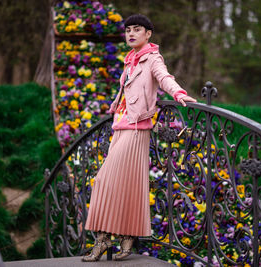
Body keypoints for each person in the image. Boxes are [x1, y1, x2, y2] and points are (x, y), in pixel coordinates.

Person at [82, 14, 196, 262]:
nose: (131, 33)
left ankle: (106, 240)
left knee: (103, 181)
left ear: (148, 34)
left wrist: (178, 94)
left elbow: (164, 78)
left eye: (137, 30)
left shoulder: (152, 58)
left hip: (136, 129)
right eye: (128, 30)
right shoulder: (130, 60)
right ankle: (120, 239)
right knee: (125, 186)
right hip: (121, 127)